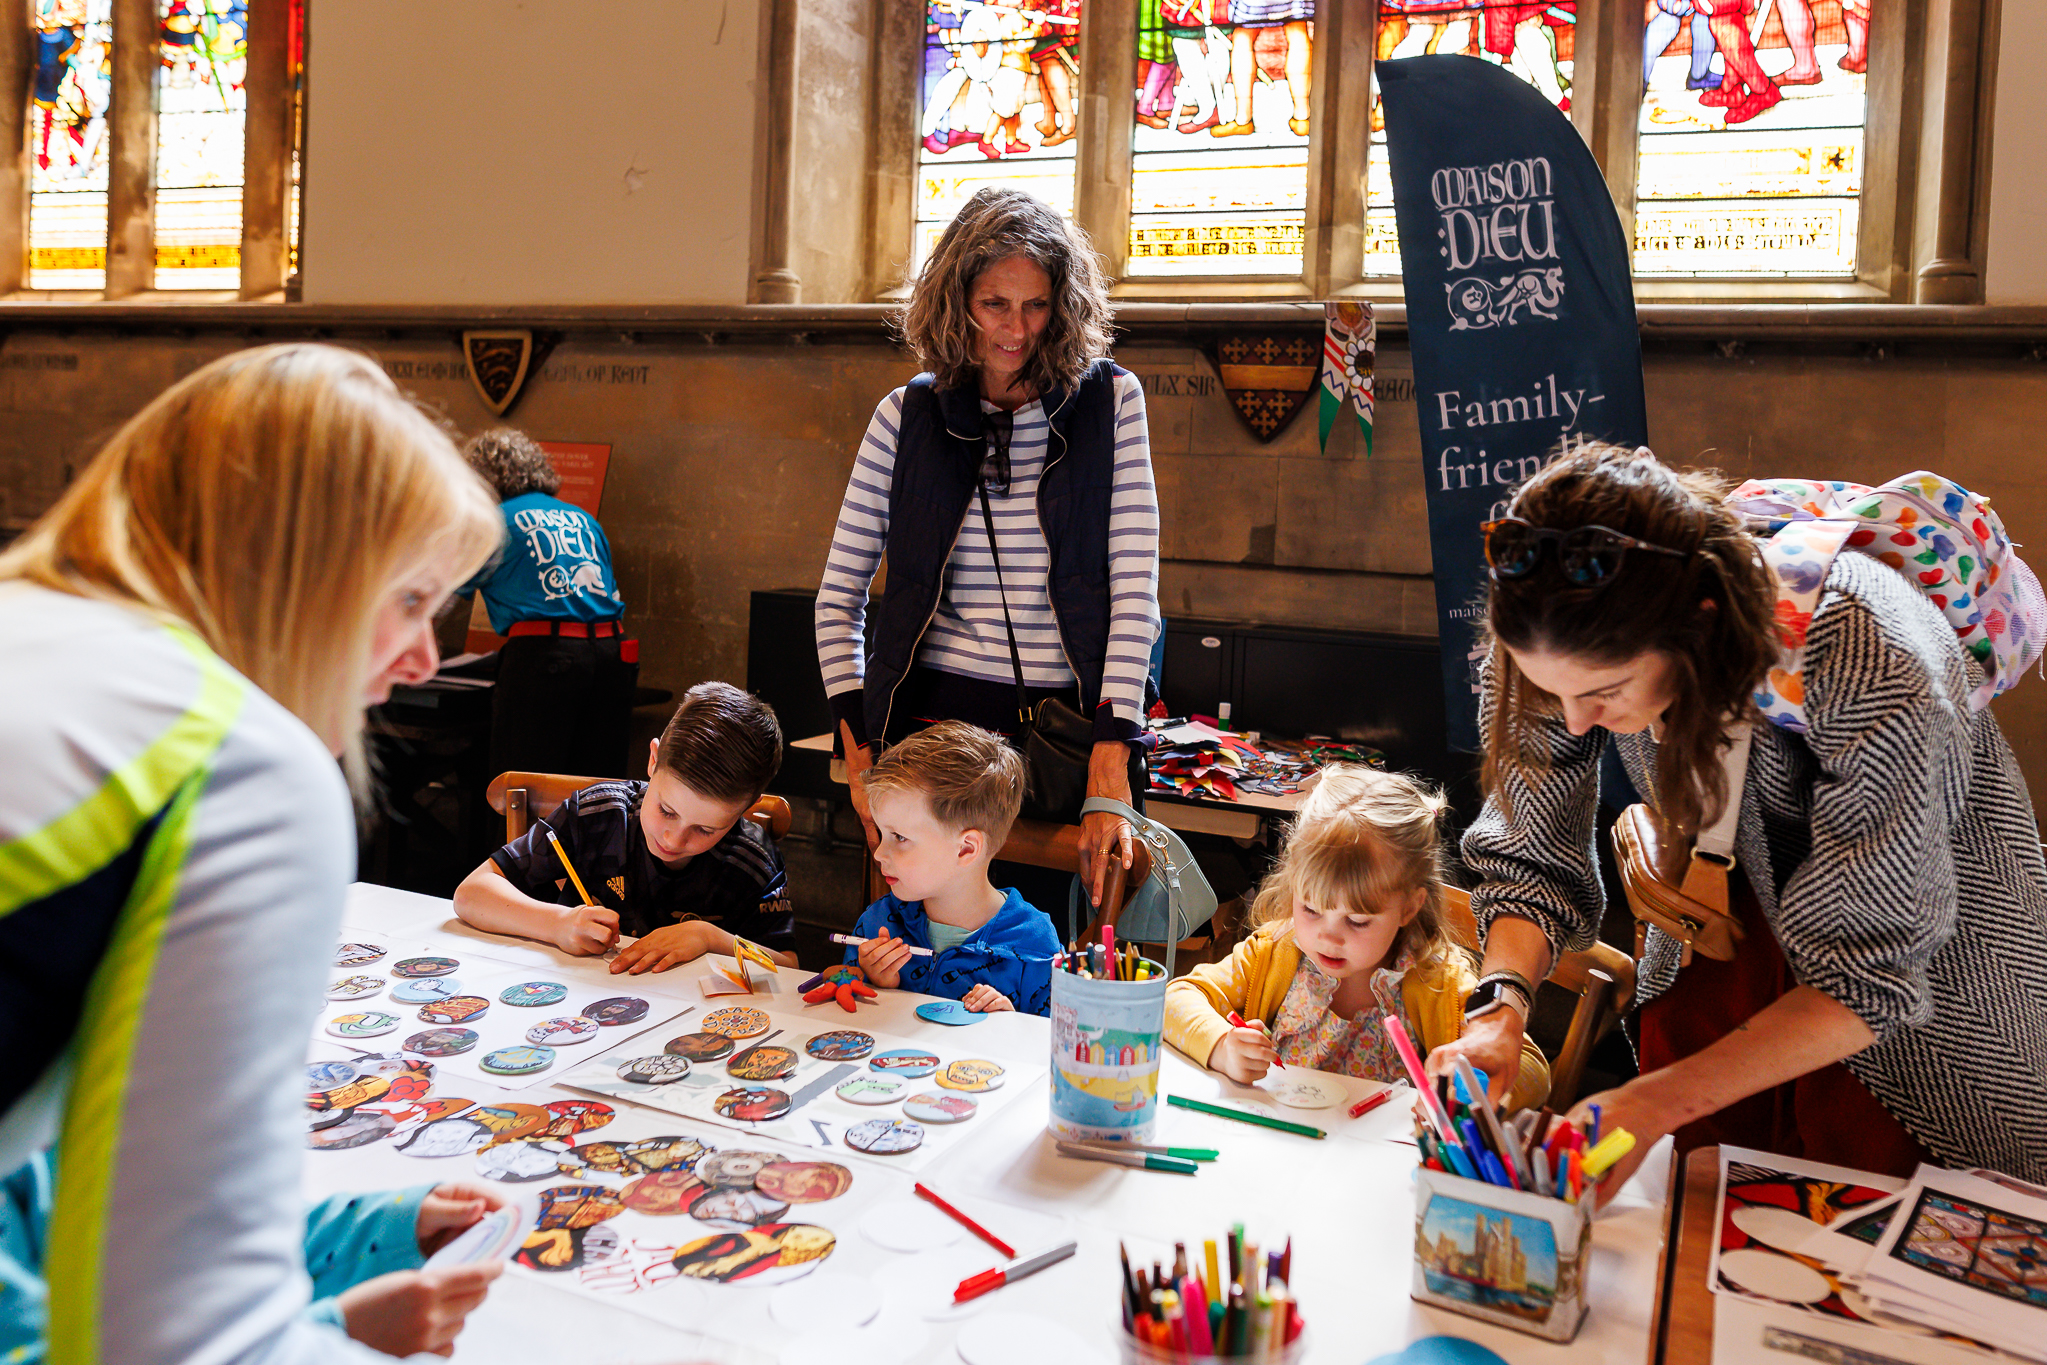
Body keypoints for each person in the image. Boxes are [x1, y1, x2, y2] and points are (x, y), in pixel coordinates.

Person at [0, 343, 511, 1361]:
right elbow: (183, 1338)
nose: (423, 659)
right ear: (302, 570)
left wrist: (346, 1244)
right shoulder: (232, 754)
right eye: (410, 599)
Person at [1434, 443, 2047, 1193]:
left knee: (1868, 1248)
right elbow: (1530, 851)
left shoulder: (1871, 648)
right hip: (1718, 935)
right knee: (1704, 1218)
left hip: (1926, 985)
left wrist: (1648, 1104)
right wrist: (1498, 1006)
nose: (1573, 716)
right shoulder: (1553, 636)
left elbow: (1870, 978)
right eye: (1546, 689)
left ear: (1697, 623)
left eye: (1604, 693)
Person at [815, 186, 1160, 913]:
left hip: (1066, 740)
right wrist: (856, 740)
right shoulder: (904, 417)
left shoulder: (1111, 403)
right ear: (955, 300)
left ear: (1062, 306)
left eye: (1036, 305)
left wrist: (1110, 756)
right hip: (930, 735)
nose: (1016, 329)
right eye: (994, 303)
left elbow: (1134, 595)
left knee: (1048, 960)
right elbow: (838, 595)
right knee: (919, 955)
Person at [1163, 766, 1551, 1110]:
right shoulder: (1274, 953)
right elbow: (1173, 1000)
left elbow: (1531, 1069)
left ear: (1409, 907)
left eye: (1358, 921)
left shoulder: (1438, 982)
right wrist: (1221, 1047)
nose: (1328, 937)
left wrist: (1468, 1089)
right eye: (1311, 909)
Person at [452, 681, 796, 973]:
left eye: (705, 830)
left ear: (744, 810)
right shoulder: (598, 815)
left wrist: (709, 938)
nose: (673, 839)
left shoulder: (752, 859)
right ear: (653, 760)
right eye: (667, 810)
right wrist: (556, 924)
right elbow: (471, 894)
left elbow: (789, 968)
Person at [846, 721, 1062, 1016]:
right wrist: (876, 985)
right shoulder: (877, 923)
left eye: (899, 837)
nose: (880, 853)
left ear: (966, 849)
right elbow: (846, 1027)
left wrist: (1012, 1026)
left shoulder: (1034, 944)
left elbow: (1053, 1049)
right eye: (883, 834)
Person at [461, 426, 635, 779]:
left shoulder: (495, 521)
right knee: (597, 790)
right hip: (613, 657)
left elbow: (437, 591)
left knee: (523, 789)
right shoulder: (583, 519)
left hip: (547, 660)